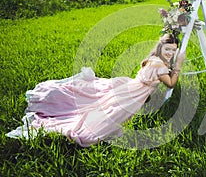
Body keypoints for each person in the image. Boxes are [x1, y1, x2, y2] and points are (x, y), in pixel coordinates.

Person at [6, 33, 186, 147]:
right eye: (168, 50)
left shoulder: (153, 59)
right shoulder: (161, 66)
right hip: (133, 94)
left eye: (174, 51)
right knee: (105, 116)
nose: (170, 53)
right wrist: (178, 65)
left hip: (131, 86)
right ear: (162, 48)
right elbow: (170, 83)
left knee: (101, 100)